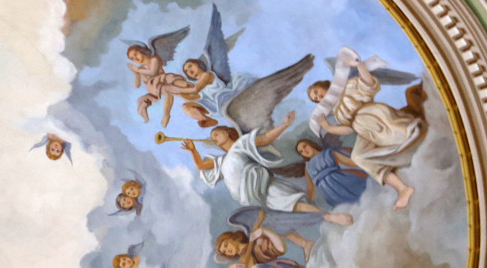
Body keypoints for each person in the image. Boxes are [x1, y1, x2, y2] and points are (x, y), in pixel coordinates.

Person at [180, 120, 352, 227]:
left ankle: (331, 217)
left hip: (263, 187)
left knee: (293, 203)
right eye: (213, 137)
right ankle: (322, 222)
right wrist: (193, 150)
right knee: (277, 220)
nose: (214, 138)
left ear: (226, 132)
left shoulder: (241, 144)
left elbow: (266, 139)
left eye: (216, 134)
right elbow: (202, 166)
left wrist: (285, 124)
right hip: (250, 198)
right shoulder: (221, 161)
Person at [307, 65, 428, 209]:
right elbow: (349, 128)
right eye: (316, 99)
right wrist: (328, 128)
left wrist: (360, 66)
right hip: (362, 130)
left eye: (316, 92)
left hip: (374, 117)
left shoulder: (347, 88)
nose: (319, 98)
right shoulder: (337, 111)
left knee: (400, 137)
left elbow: (369, 84)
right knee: (360, 157)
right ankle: (402, 188)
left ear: (322, 85)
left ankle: (422, 151)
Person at [295, 136, 369, 209]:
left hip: (344, 181)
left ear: (311, 144)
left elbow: (350, 162)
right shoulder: (308, 166)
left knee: (364, 199)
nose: (304, 151)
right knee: (350, 208)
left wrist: (367, 163)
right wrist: (308, 204)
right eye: (301, 151)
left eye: (305, 146)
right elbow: (310, 188)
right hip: (331, 194)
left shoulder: (328, 153)